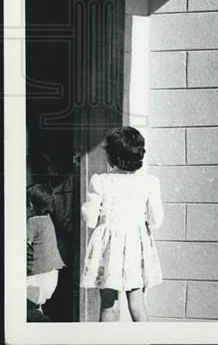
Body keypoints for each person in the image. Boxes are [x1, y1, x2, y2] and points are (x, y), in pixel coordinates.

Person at [81, 127, 164, 322]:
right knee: (137, 303)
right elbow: (156, 220)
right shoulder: (149, 182)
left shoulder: (100, 182)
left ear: (112, 157)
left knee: (109, 305)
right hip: (136, 246)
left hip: (109, 248)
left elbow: (90, 219)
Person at [27, 183, 65, 319]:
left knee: (27, 307)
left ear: (30, 206)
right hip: (52, 274)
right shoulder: (47, 220)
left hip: (36, 277)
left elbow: (22, 246)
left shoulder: (32, 223)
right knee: (36, 305)